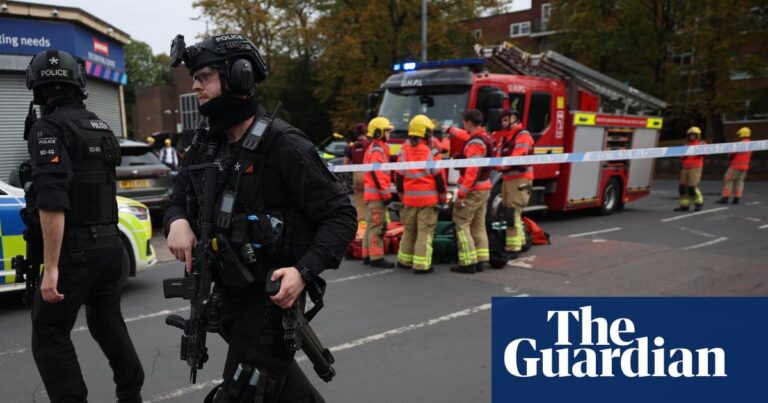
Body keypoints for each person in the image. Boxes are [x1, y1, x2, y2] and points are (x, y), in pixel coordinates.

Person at [164, 33, 356, 402]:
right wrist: (177, 222)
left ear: (239, 76)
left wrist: (303, 272)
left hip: (271, 301)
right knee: (283, 390)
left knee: (243, 391)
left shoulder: (284, 145)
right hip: (229, 295)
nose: (195, 86)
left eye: (203, 76)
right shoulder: (207, 144)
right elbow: (178, 200)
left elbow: (341, 215)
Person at [24, 50, 144, 403]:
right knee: (106, 319)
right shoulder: (100, 125)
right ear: (78, 83)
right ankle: (131, 394)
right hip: (111, 244)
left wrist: (51, 267)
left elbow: (52, 198)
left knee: (49, 331)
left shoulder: (49, 128)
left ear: (39, 87)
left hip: (76, 249)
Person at [395, 114, 447, 274]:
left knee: (409, 230)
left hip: (409, 200)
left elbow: (399, 176)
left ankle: (404, 260)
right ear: (427, 133)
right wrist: (442, 197)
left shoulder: (404, 151)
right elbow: (439, 178)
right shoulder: (429, 153)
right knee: (424, 232)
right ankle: (421, 265)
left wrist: (401, 195)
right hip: (428, 201)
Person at [444, 110, 493, 274]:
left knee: (461, 222)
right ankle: (481, 260)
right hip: (484, 188)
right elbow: (465, 136)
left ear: (469, 123)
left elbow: (472, 171)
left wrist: (462, 195)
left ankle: (467, 262)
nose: (463, 127)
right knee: (478, 224)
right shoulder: (483, 137)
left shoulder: (474, 144)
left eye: (464, 123)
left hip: (473, 190)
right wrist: (450, 130)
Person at [497, 111, 534, 258]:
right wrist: (501, 165)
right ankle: (521, 242)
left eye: (506, 120)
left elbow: (517, 158)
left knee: (513, 212)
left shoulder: (523, 135)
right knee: (511, 211)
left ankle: (513, 248)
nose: (503, 123)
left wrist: (500, 166)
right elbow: (498, 157)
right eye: (502, 121)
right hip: (509, 179)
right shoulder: (505, 137)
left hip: (522, 179)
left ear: (514, 119)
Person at [362, 117, 394, 267]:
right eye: (387, 131)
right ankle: (376, 257)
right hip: (377, 196)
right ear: (378, 132)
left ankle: (367, 255)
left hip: (371, 195)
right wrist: (386, 194)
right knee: (376, 226)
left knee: (370, 226)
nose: (389, 134)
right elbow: (378, 174)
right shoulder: (377, 150)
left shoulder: (374, 148)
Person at [716, 127, 753, 204]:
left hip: (735, 166)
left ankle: (725, 198)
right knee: (739, 182)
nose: (738, 135)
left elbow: (731, 154)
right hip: (745, 166)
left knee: (728, 180)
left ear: (742, 134)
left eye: (739, 134)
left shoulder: (738, 144)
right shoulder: (751, 144)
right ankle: (737, 198)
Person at [343, 123, 371, 221]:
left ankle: (360, 228)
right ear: (366, 132)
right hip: (368, 175)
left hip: (356, 176)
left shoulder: (351, 147)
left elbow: (345, 164)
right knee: (370, 203)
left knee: (359, 203)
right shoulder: (370, 145)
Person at [675, 126, 705, 212]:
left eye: (693, 135)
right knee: (682, 187)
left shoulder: (701, 144)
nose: (691, 136)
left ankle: (699, 203)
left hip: (695, 167)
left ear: (698, 136)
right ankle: (684, 205)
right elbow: (680, 156)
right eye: (690, 135)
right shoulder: (686, 145)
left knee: (692, 187)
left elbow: (705, 153)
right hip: (685, 167)